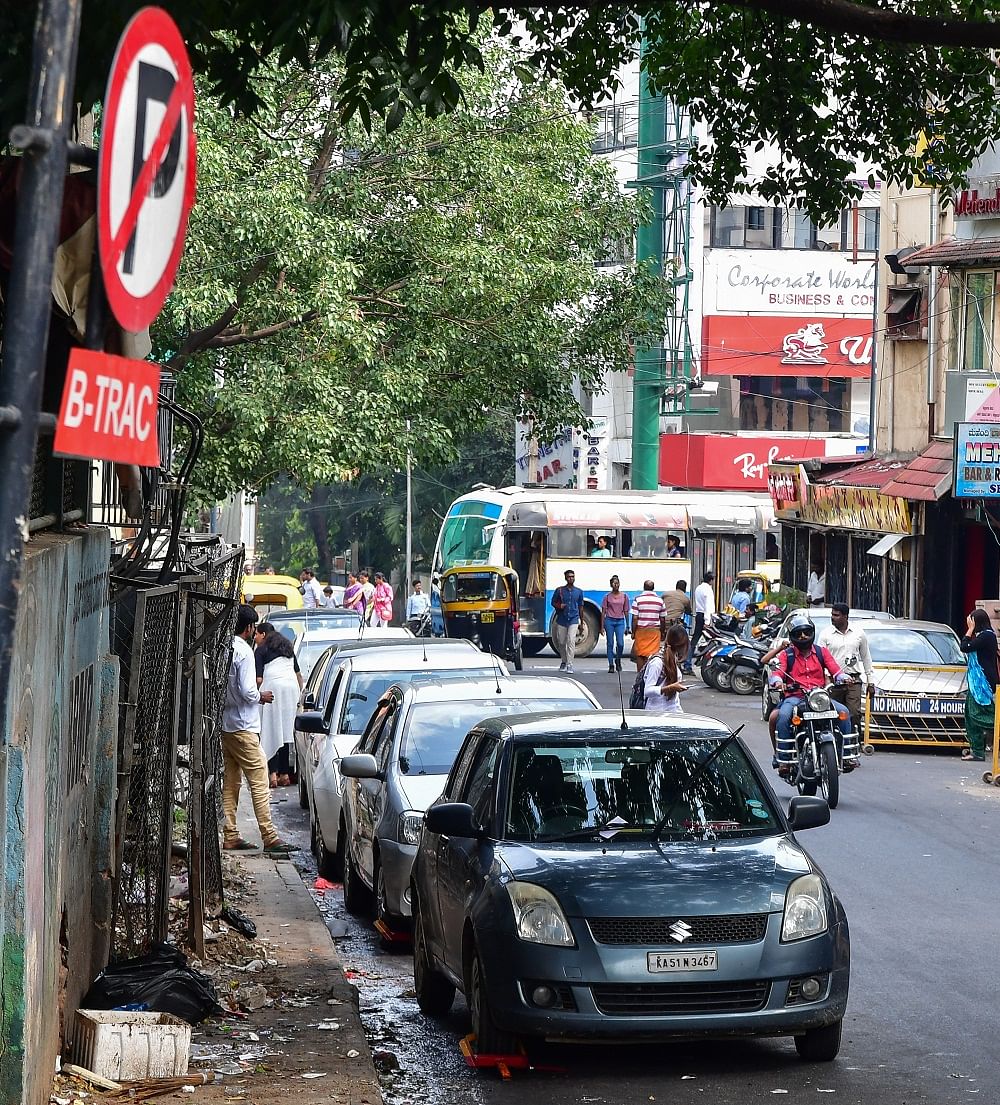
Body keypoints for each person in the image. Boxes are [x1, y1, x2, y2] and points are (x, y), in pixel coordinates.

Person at [221, 605, 291, 854]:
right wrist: (261, 696)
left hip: (226, 724)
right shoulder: (245, 653)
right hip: (243, 725)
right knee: (260, 779)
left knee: (231, 781)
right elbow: (248, 691)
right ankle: (269, 836)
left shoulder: (224, 646)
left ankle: (230, 834)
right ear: (250, 628)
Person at [768, 613, 852, 773]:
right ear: (792, 637)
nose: (803, 636)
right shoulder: (787, 655)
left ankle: (846, 756)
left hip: (819, 698)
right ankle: (784, 760)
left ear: (812, 632)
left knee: (843, 712)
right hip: (795, 698)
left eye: (806, 632)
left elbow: (835, 670)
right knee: (784, 716)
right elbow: (777, 673)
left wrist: (843, 677)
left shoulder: (822, 652)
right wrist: (777, 682)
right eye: (798, 634)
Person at [254, 621, 304, 787]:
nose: (255, 638)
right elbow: (298, 675)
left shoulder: (261, 650)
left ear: (263, 634)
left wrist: (255, 695)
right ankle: (285, 774)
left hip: (272, 689)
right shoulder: (288, 648)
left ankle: (273, 774)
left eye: (256, 634)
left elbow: (259, 679)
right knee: (286, 731)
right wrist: (300, 695)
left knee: (272, 730)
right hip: (291, 689)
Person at [818, 602, 876, 734]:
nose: (833, 618)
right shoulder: (826, 634)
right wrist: (825, 678)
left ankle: (853, 740)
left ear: (845, 616)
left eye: (836, 615)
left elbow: (866, 657)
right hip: (832, 681)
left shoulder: (858, 634)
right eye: (832, 615)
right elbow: (819, 658)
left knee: (854, 713)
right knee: (832, 712)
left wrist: (870, 682)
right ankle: (832, 739)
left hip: (853, 680)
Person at [960, 608, 998, 761]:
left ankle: (997, 730)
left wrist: (969, 630)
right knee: (970, 716)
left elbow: (964, 646)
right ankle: (977, 751)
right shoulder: (982, 636)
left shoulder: (987, 637)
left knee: (981, 714)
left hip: (983, 683)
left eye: (971, 621)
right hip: (975, 682)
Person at [642, 625, 690, 714]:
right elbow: (647, 691)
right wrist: (669, 688)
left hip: (673, 710)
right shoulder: (657, 662)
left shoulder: (673, 658)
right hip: (655, 712)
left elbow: (674, 700)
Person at [551, 568, 584, 673]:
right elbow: (553, 602)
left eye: (572, 576)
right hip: (562, 619)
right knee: (561, 642)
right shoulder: (559, 590)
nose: (571, 578)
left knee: (571, 640)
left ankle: (570, 664)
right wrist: (560, 606)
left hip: (574, 619)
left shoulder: (579, 592)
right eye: (569, 577)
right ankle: (564, 661)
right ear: (565, 578)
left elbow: (581, 607)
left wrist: (581, 622)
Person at [630, 580, 666, 672]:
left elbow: (634, 618)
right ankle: (649, 674)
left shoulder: (637, 600)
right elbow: (662, 619)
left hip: (641, 631)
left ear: (644, 587)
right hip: (654, 632)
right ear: (653, 588)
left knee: (640, 654)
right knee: (653, 655)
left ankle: (640, 675)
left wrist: (633, 632)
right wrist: (662, 632)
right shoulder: (660, 601)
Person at [687, 571, 716, 674]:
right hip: (705, 616)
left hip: (699, 614)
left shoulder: (698, 588)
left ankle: (688, 663)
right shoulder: (708, 589)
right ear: (711, 580)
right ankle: (704, 663)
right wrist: (707, 621)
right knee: (711, 641)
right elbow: (708, 605)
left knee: (695, 640)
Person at [601, 575, 630, 673]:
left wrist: (628, 626)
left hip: (620, 621)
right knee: (610, 643)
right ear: (611, 585)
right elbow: (603, 611)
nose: (616, 585)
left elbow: (626, 611)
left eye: (617, 583)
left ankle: (618, 659)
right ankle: (611, 664)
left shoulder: (624, 596)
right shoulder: (607, 597)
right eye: (614, 583)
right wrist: (602, 626)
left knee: (620, 643)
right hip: (609, 621)